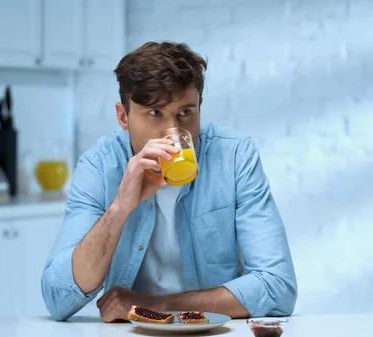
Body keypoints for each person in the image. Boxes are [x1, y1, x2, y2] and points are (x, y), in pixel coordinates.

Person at [41, 41, 297, 322]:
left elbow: (278, 288)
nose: (172, 131)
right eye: (154, 113)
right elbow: (57, 297)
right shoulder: (99, 166)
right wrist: (120, 208)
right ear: (123, 116)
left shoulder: (234, 156)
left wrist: (153, 305)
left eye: (185, 113)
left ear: (200, 107)